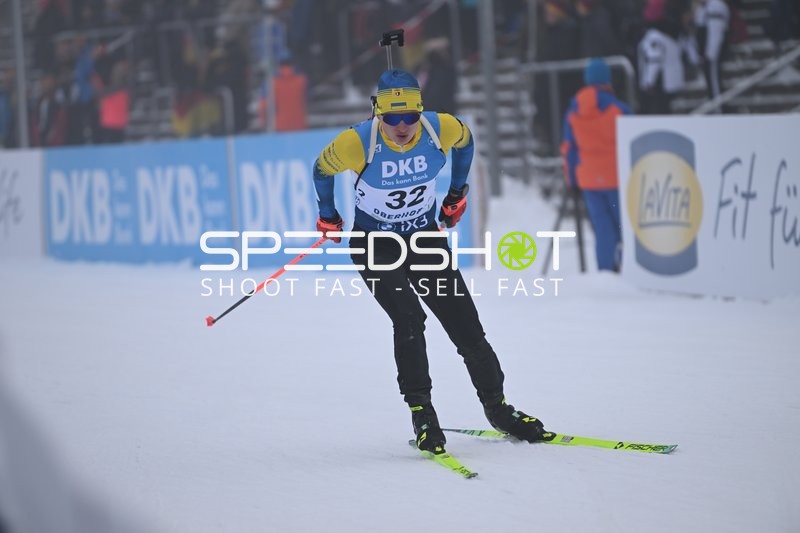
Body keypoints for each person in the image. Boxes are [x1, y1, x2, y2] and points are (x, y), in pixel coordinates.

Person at [311, 69, 547, 454]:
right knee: (409, 319)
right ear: (378, 114)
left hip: (423, 239)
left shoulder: (441, 128)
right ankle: (423, 413)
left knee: (466, 327)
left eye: (410, 117)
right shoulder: (358, 142)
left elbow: (467, 143)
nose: (402, 126)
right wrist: (328, 213)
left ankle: (498, 408)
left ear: (420, 111)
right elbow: (321, 169)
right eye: (392, 118)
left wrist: (457, 192)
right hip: (377, 246)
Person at [561, 58, 632, 272]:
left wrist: (571, 179)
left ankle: (605, 271)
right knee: (625, 226)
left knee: (602, 228)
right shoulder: (619, 110)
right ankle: (630, 267)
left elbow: (569, 148)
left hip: (589, 180)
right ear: (607, 80)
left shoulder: (574, 112)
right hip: (618, 177)